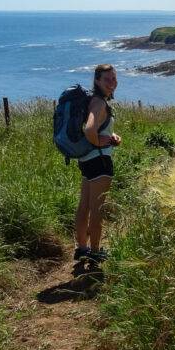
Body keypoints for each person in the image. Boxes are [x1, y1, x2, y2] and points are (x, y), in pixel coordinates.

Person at [73, 64, 121, 265]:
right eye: (107, 79)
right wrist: (96, 141)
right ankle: (94, 252)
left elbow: (97, 129)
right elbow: (90, 129)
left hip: (86, 159)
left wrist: (110, 137)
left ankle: (82, 248)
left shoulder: (92, 100)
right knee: (97, 208)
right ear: (97, 81)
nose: (112, 83)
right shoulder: (99, 103)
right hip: (100, 161)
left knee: (84, 205)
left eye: (114, 79)